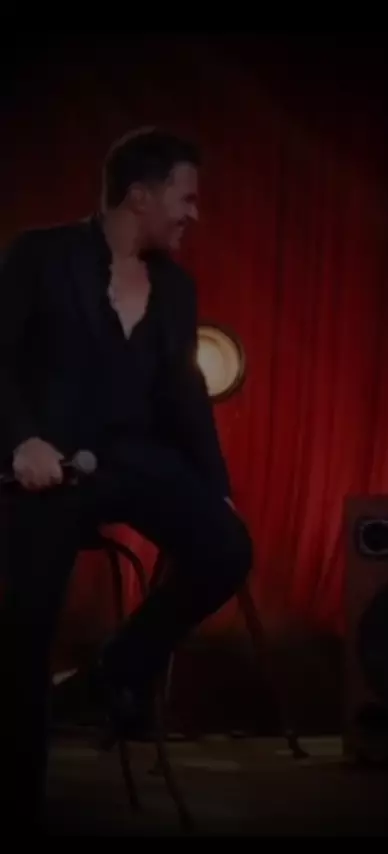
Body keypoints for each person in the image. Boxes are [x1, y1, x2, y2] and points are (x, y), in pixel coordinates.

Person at [0, 127, 253, 829]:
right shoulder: (40, 256)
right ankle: (17, 799)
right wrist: (20, 440)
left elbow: (186, 397)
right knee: (27, 622)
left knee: (227, 548)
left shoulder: (175, 288)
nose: (194, 213)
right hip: (50, 468)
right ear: (140, 195)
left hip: (137, 462)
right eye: (186, 198)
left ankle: (112, 675)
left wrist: (217, 489)